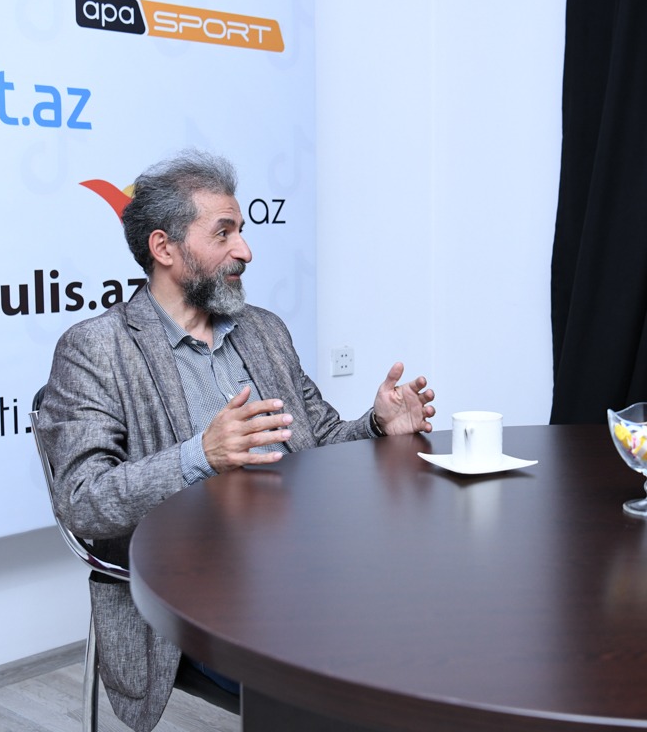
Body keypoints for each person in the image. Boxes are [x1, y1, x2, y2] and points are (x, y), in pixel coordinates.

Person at [37, 149, 435, 732]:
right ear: (164, 248)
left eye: (242, 231)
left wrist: (376, 426)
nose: (245, 250)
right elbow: (82, 501)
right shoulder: (97, 349)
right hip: (200, 593)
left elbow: (321, 439)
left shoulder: (264, 330)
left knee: (427, 613)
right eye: (223, 233)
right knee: (356, 661)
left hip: (315, 560)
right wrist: (200, 456)